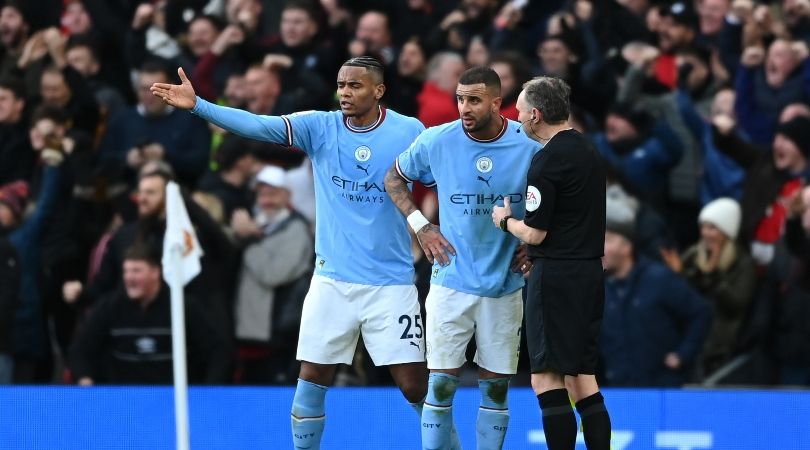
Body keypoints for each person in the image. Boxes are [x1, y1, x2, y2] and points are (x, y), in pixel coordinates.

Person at [150, 56, 438, 450]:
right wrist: (199, 105)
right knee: (312, 377)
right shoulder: (319, 127)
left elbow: (440, 177)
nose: (345, 93)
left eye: (355, 86)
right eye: (341, 85)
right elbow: (258, 126)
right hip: (331, 281)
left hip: (391, 283)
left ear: (379, 90)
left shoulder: (408, 130)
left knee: (413, 386)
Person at [386, 66, 538, 450]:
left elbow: (560, 201)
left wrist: (536, 244)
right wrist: (422, 225)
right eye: (460, 99)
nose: (464, 107)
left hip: (504, 284)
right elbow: (393, 178)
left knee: (497, 390)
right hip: (450, 281)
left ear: (496, 103)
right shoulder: (437, 140)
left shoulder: (530, 145)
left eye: (473, 100)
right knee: (439, 384)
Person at [491, 76, 612, 450]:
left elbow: (536, 233)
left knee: (545, 379)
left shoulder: (547, 161)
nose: (518, 117)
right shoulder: (589, 150)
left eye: (521, 110)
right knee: (582, 378)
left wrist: (505, 221)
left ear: (536, 115)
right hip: (590, 273)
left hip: (557, 277)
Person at [69, 244, 230, 384]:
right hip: (124, 400)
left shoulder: (182, 306)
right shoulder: (110, 307)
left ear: (155, 272)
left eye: (137, 271)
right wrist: (85, 379)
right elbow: (80, 349)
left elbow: (217, 349)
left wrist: (210, 389)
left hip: (171, 399)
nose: (129, 278)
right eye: (126, 271)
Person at [600, 202, 712, 387]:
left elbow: (701, 312)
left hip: (662, 391)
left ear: (627, 247)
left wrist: (682, 355)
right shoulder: (598, 289)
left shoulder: (658, 278)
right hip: (618, 392)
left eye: (607, 240)